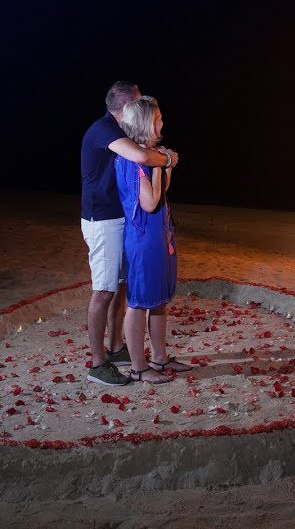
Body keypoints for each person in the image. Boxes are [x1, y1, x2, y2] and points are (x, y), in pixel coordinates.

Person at [81, 81, 178, 386]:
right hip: (103, 220)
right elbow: (141, 158)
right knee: (104, 290)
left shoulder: (120, 131)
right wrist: (167, 160)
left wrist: (160, 159)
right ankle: (98, 364)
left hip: (122, 218)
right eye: (139, 103)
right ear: (128, 109)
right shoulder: (104, 129)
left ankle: (117, 348)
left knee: (123, 287)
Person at [114, 95, 193, 384]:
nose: (162, 122)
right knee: (138, 302)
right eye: (157, 118)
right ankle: (138, 366)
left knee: (158, 300)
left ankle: (159, 357)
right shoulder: (132, 159)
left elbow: (162, 191)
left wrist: (164, 164)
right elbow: (149, 203)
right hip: (143, 239)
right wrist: (161, 164)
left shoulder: (147, 155)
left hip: (158, 235)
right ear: (146, 122)